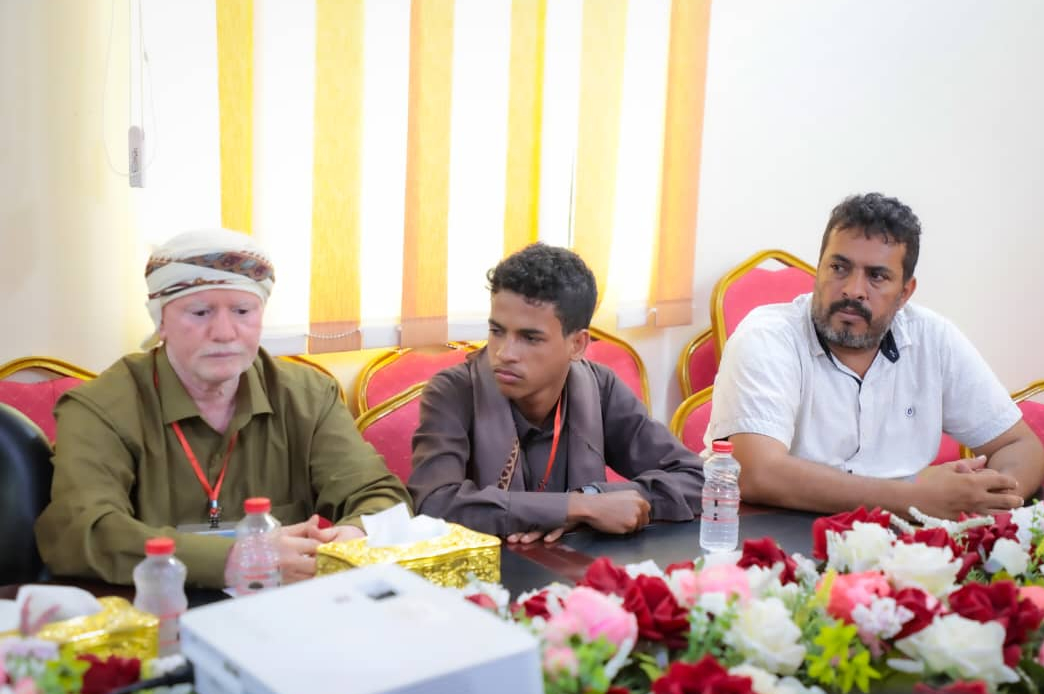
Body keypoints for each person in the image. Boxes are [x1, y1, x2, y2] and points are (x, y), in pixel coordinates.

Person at [35, 229, 410, 588]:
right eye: (200, 312)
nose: (225, 333)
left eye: (243, 311)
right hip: (156, 609)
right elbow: (80, 532)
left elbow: (381, 496)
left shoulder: (308, 396)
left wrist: (354, 535)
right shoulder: (99, 409)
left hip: (286, 607)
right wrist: (232, 559)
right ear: (160, 321)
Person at [704, 193, 1044, 519]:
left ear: (905, 292)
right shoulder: (768, 337)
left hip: (902, 538)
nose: (853, 290)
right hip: (775, 533)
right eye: (839, 268)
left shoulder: (933, 337)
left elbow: (1020, 445)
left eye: (877, 276)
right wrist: (917, 499)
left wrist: (985, 498)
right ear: (819, 270)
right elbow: (758, 473)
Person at [409, 243, 704, 543]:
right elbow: (434, 505)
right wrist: (576, 507)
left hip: (579, 565)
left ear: (577, 345)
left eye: (530, 338)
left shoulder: (600, 387)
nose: (504, 353)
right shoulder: (453, 392)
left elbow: (697, 479)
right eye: (497, 331)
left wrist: (594, 495)